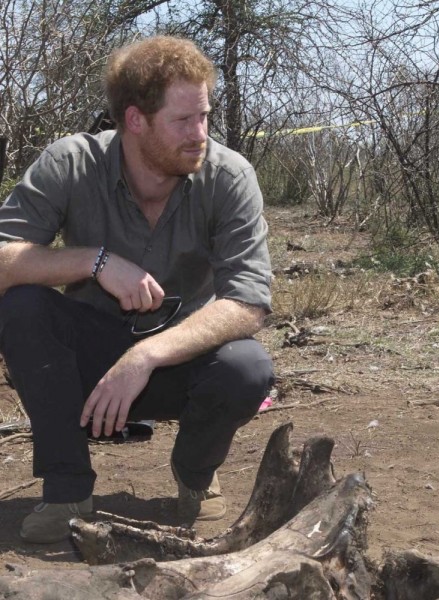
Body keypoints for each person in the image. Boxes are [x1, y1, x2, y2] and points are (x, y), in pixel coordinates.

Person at [0, 35, 275, 543]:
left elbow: (249, 301)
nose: (200, 134)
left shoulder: (229, 175)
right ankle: (66, 491)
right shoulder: (71, 162)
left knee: (248, 367)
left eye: (205, 116)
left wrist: (146, 355)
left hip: (179, 360)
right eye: (182, 120)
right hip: (89, 364)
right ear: (134, 120)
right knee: (21, 307)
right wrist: (94, 261)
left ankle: (195, 476)